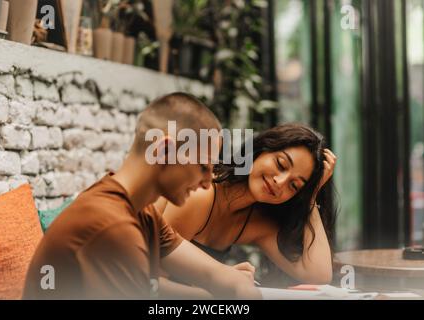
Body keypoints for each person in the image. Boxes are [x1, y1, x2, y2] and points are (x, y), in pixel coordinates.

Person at [23, 92, 261, 300]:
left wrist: (234, 283)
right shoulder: (113, 226)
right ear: (164, 151)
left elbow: (213, 275)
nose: (208, 183)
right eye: (202, 167)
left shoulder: (143, 212)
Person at [159, 124, 337, 285]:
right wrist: (221, 281)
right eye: (281, 164)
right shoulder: (200, 194)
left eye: (294, 185)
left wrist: (311, 199)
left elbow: (318, 275)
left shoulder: (256, 224)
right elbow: (151, 283)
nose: (280, 182)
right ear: (261, 150)